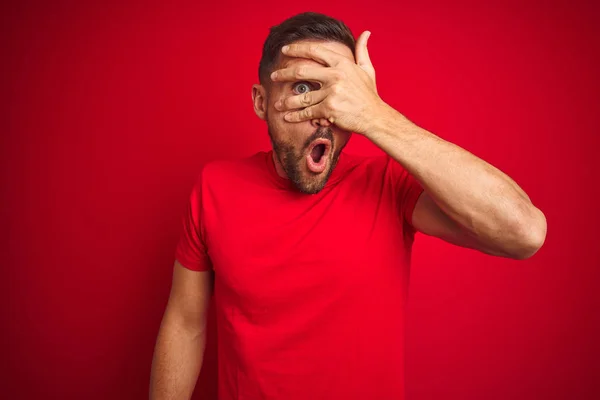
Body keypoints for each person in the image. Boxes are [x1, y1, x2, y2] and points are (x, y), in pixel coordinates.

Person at [149, 12, 547, 400]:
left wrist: (375, 114)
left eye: (338, 91)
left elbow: (523, 232)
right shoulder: (215, 187)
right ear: (260, 101)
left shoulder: (389, 184)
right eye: (304, 88)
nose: (324, 113)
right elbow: (185, 324)